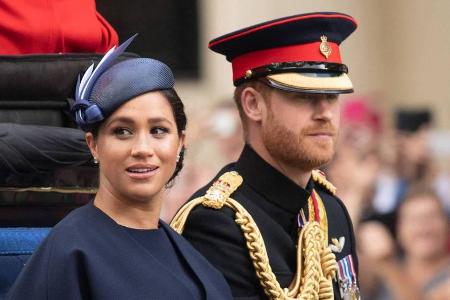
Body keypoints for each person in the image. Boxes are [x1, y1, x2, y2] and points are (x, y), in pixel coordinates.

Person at [6, 37, 232, 300]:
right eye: (122, 131)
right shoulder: (70, 251)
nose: (142, 148)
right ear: (93, 145)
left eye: (158, 130)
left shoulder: (193, 257)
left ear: (180, 142)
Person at [171, 12, 360, 300]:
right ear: (253, 105)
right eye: (304, 97)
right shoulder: (216, 223)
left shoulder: (330, 208)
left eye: (332, 96)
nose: (325, 113)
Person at [358, 185, 450, 300]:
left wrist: (388, 265)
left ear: (446, 225)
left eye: (431, 216)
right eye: (414, 219)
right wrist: (357, 191)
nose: (423, 225)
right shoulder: (375, 274)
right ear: (399, 230)